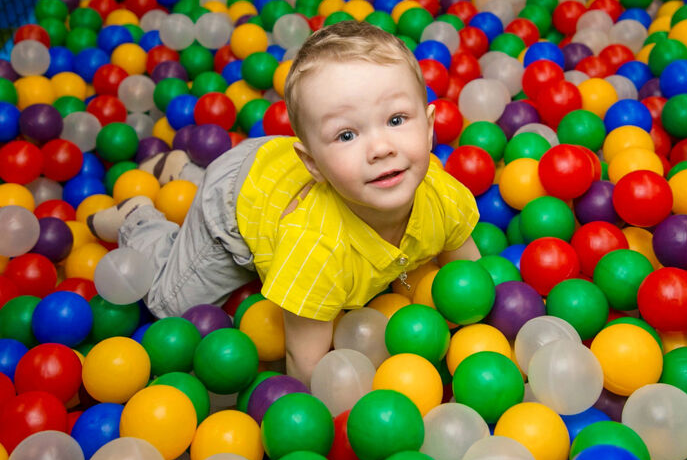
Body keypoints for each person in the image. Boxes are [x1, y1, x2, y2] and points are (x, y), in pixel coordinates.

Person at [89, 21, 481, 385]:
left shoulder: (442, 195)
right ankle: (138, 217)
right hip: (234, 202)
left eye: (396, 120)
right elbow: (306, 364)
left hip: (274, 170)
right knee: (169, 306)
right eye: (346, 135)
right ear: (313, 163)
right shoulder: (316, 248)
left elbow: (471, 283)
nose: (381, 148)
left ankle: (184, 170)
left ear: (430, 128)